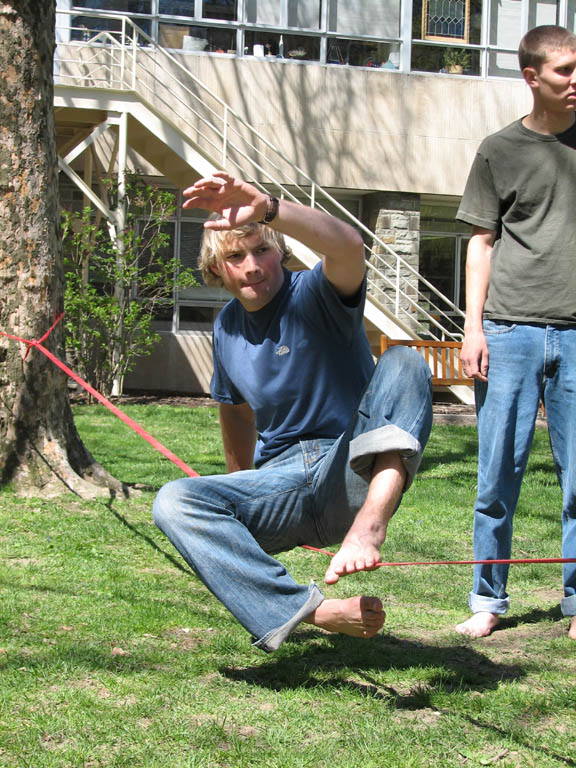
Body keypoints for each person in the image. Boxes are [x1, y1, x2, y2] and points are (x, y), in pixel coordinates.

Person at [153, 172, 433, 652]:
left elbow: (348, 248)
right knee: (174, 501)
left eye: (261, 249)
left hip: (347, 468)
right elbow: (236, 413)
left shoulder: (314, 295)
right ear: (217, 271)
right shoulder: (226, 329)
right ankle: (312, 610)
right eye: (235, 257)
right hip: (281, 482)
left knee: (406, 361)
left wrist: (267, 207)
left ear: (279, 252)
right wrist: (240, 492)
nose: (253, 266)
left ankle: (367, 530)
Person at [455, 25, 576, 640]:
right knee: (498, 474)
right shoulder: (498, 151)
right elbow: (481, 242)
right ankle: (487, 599)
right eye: (565, 71)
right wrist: (472, 329)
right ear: (533, 78)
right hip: (509, 332)